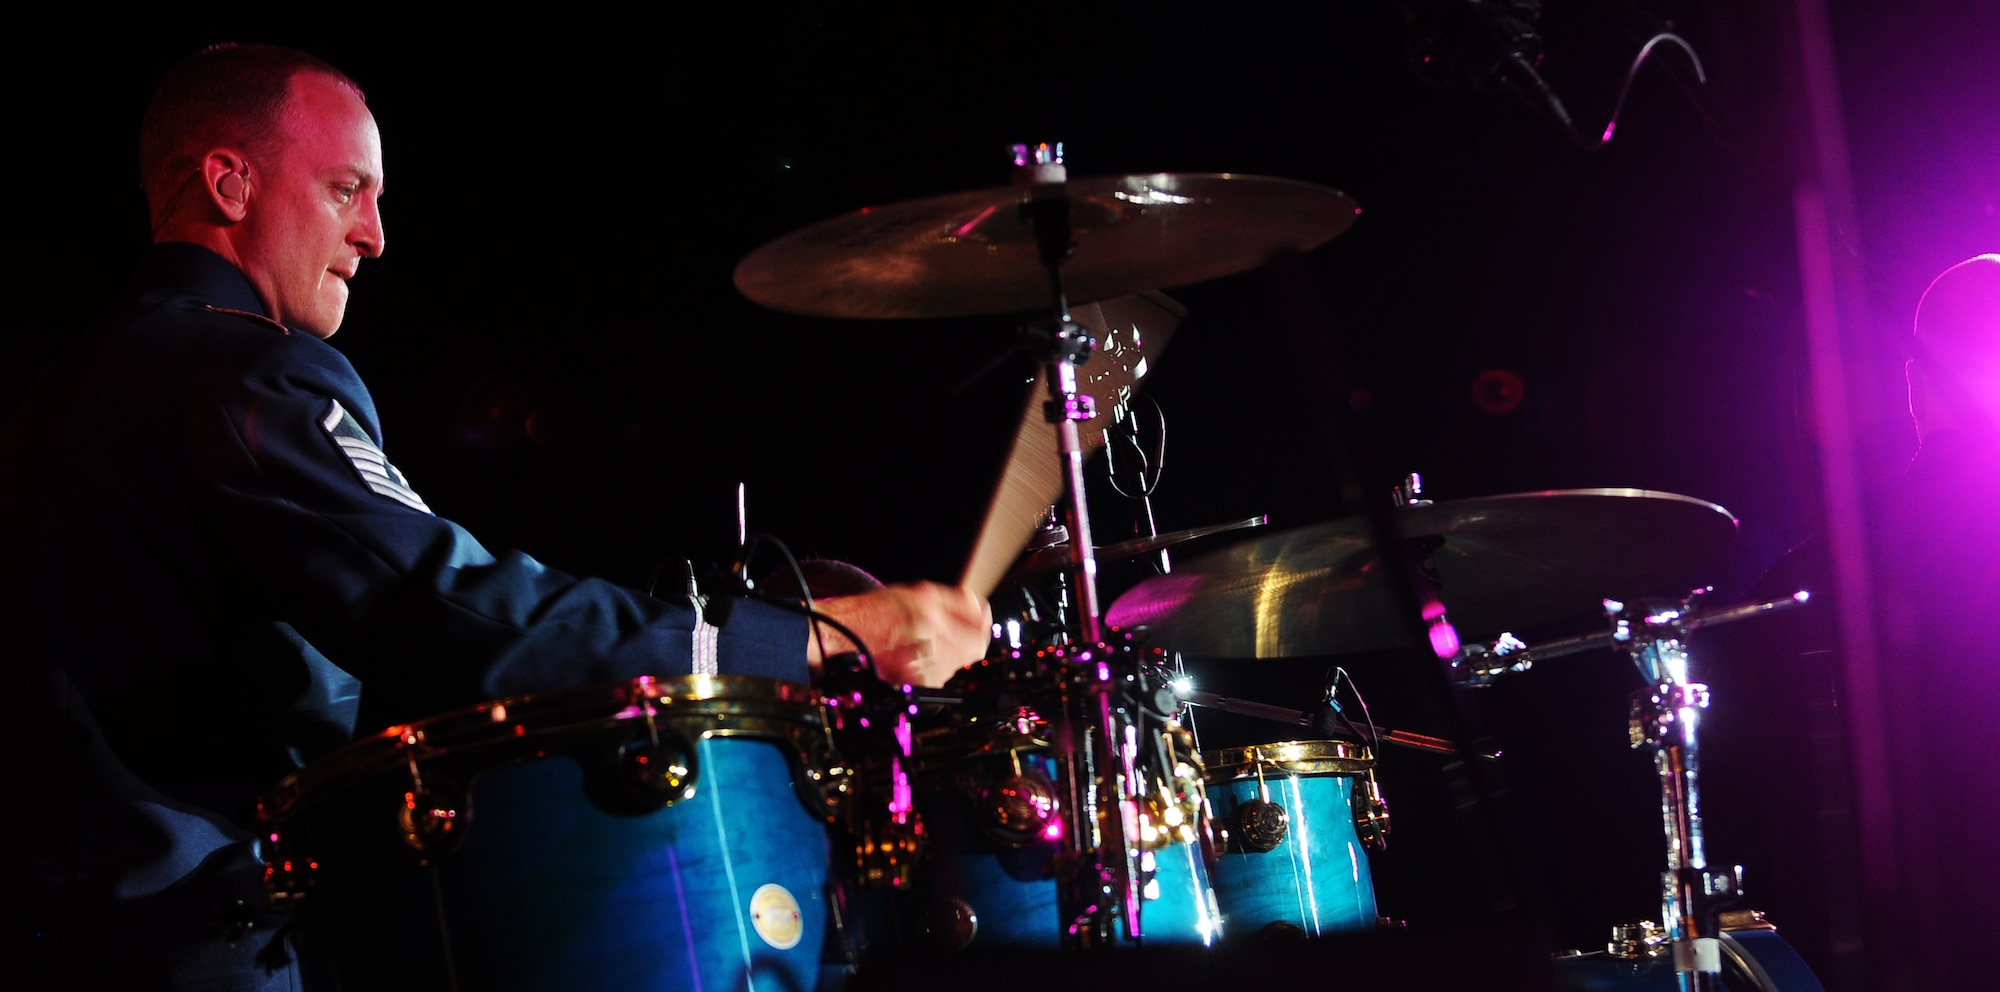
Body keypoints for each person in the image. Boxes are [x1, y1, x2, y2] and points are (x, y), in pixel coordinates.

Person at [0, 44, 988, 989]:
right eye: (347, 189)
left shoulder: (56, 395)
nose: (374, 235)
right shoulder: (240, 373)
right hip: (217, 935)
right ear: (230, 184)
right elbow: (458, 611)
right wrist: (802, 637)